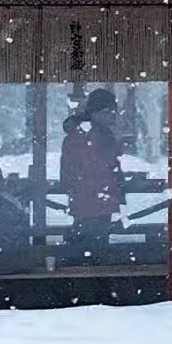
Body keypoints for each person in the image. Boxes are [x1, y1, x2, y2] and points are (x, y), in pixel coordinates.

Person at [59, 88, 127, 255]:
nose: (112, 115)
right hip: (94, 199)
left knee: (88, 245)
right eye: (108, 111)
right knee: (94, 247)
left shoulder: (84, 133)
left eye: (113, 111)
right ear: (95, 113)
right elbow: (99, 165)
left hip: (91, 199)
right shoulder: (91, 135)